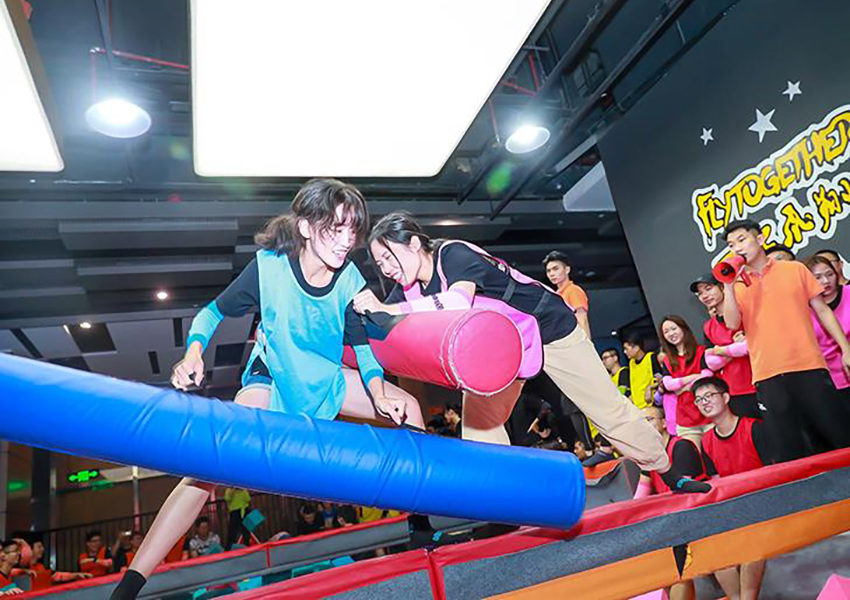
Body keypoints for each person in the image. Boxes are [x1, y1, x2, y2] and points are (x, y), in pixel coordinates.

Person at [111, 179, 425, 600]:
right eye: (336, 229)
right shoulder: (269, 267)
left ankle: (423, 529)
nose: (347, 240)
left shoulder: (350, 278)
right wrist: (193, 354)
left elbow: (363, 347)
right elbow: (211, 313)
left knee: (410, 406)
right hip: (273, 380)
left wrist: (379, 392)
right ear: (307, 227)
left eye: (353, 230)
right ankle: (131, 584)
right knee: (205, 470)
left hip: (325, 379)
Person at [358, 212, 709, 493]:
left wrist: (390, 310)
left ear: (413, 243)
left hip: (549, 328)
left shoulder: (453, 254)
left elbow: (457, 300)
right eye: (378, 263)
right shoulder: (410, 288)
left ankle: (667, 470)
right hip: (503, 349)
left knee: (606, 409)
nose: (385, 268)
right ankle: (503, 501)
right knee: (479, 425)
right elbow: (383, 320)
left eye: (388, 256)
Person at [721, 219, 850, 463]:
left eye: (741, 240)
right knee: (789, 451)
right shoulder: (736, 285)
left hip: (808, 365)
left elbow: (822, 310)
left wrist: (846, 348)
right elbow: (731, 323)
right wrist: (727, 287)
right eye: (731, 245)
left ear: (760, 239)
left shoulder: (794, 269)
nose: (737, 248)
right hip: (767, 374)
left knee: (840, 434)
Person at [693, 377, 767, 600]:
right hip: (734, 510)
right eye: (699, 400)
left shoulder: (754, 428)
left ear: (725, 397)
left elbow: (776, 471)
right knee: (717, 557)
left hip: (764, 503)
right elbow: (715, 484)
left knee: (751, 549)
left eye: (709, 396)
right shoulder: (706, 441)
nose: (704, 402)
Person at [690, 274, 761, 419]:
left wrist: (720, 351)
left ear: (723, 287)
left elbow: (752, 345)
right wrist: (734, 347)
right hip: (734, 391)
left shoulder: (745, 312)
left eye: (708, 289)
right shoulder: (708, 327)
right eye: (700, 293)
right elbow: (711, 363)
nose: (705, 296)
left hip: (760, 382)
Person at [657, 315, 713, 446]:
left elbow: (707, 376)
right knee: (692, 455)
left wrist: (682, 388)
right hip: (686, 418)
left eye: (673, 328)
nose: (671, 333)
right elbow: (668, 385)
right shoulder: (667, 360)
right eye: (666, 332)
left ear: (683, 328)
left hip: (709, 412)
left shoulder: (701, 351)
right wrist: (693, 377)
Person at [804, 256, 850, 399]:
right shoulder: (803, 309)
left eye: (829, 274)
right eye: (817, 277)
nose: (825, 281)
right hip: (828, 381)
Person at [543, 251, 591, 337]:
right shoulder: (556, 295)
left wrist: (586, 343)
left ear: (567, 270)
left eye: (555, 269)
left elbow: (582, 319)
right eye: (548, 271)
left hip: (575, 340)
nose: (552, 274)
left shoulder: (573, 290)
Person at [622, 333, 663, 410]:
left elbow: (660, 378)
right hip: (637, 406)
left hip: (652, 404)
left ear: (636, 348)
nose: (624, 352)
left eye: (626, 348)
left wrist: (650, 388)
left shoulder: (651, 358)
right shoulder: (631, 363)